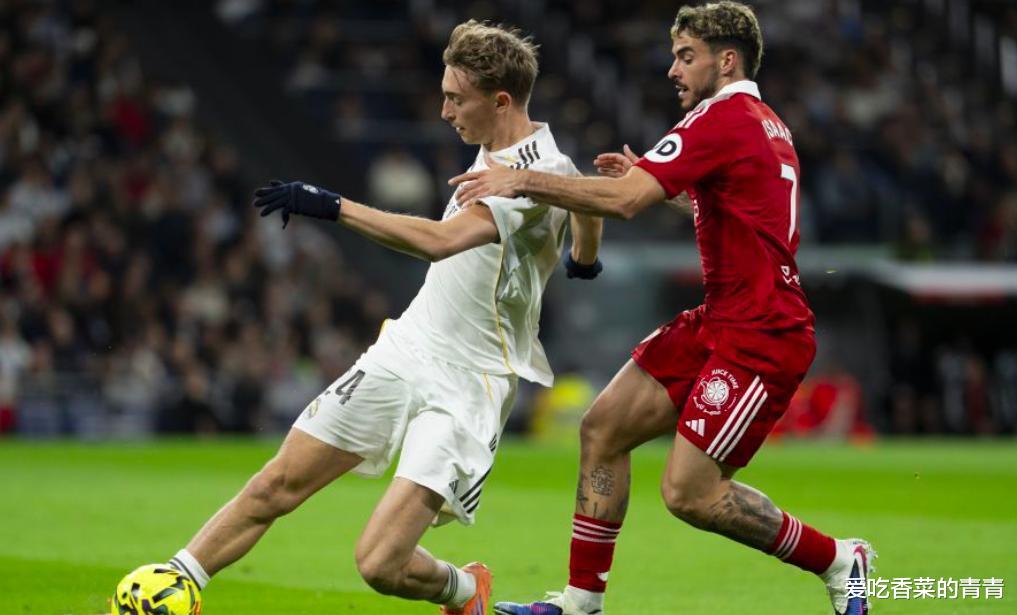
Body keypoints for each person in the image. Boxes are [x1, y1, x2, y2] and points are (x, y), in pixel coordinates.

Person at [153, 19, 603, 615]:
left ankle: (465, 589)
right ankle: (172, 582)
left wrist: (332, 206)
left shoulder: (531, 172)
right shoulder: (525, 159)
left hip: (469, 383)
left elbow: (441, 241)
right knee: (277, 482)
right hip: (406, 349)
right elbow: (582, 196)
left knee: (380, 564)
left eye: (455, 98)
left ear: (500, 101)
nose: (444, 111)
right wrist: (583, 258)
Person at [450, 3, 874, 615]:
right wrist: (652, 182)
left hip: (761, 332)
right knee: (602, 428)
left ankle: (838, 559)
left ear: (727, 61)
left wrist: (522, 180)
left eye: (686, 56)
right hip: (722, 317)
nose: (673, 69)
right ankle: (580, 602)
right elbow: (726, 208)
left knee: (690, 494)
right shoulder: (767, 124)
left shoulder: (720, 118)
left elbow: (624, 203)